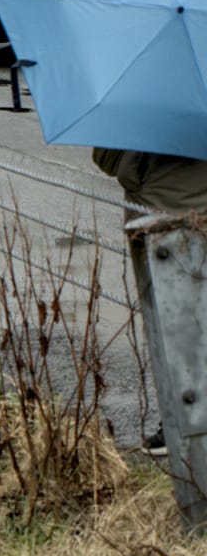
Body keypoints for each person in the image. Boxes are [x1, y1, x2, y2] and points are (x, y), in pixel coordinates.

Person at [94, 149, 207, 453]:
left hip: (161, 219)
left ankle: (182, 424)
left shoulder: (137, 106)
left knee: (172, 326)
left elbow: (109, 160)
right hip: (196, 208)